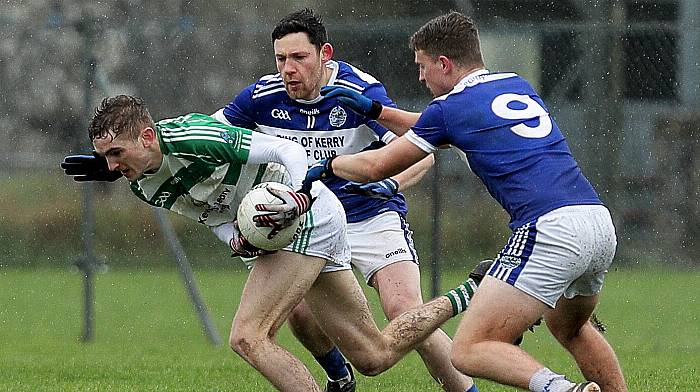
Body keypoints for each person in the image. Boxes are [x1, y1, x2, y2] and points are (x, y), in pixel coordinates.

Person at [61, 94, 481, 392]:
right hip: (283, 231)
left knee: (248, 337)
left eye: (116, 153)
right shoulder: (140, 185)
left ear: (148, 137)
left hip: (309, 215)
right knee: (373, 356)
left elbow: (284, 149)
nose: (112, 167)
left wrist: (300, 195)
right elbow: (209, 216)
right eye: (106, 159)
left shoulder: (196, 137)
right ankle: (467, 292)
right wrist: (235, 239)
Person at [304, 11, 628, 392]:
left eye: (423, 67)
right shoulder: (514, 84)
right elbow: (441, 123)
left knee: (469, 350)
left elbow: (376, 166)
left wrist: (327, 165)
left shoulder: (449, 110)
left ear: (443, 63)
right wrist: (376, 111)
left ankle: (562, 390)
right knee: (570, 328)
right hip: (596, 221)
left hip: (548, 229)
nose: (420, 77)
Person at [210, 8, 477, 392]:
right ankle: (339, 377)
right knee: (298, 312)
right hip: (311, 223)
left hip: (370, 215)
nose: (288, 68)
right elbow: (207, 135)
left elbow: (422, 153)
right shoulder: (260, 98)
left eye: (299, 58)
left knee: (405, 311)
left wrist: (391, 186)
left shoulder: (359, 91)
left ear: (325, 54)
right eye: (281, 59)